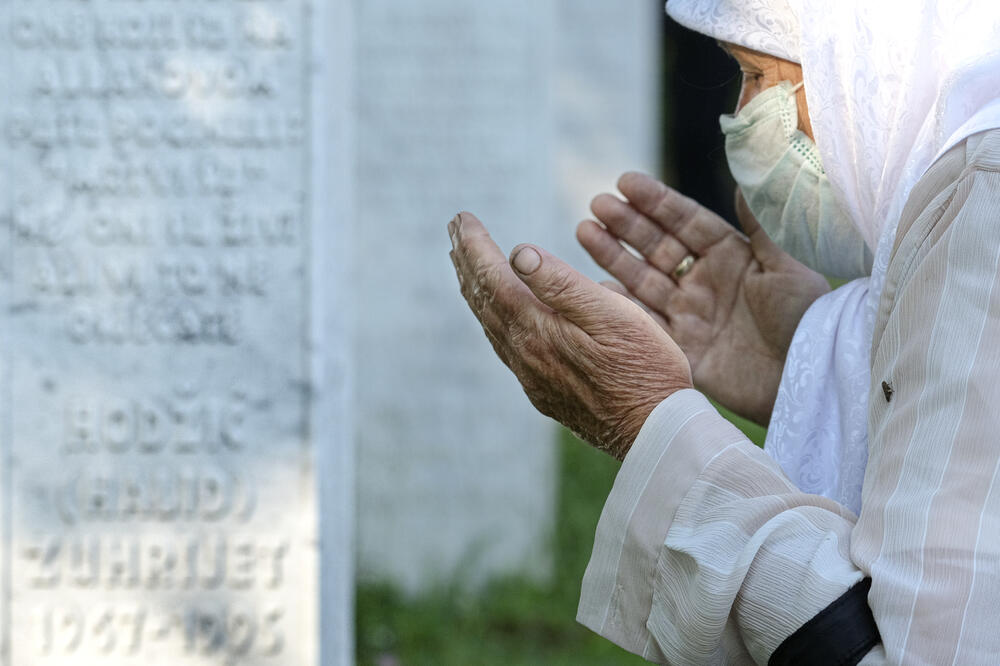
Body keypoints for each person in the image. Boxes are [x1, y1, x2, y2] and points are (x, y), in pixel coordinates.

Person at [448, 0, 1000, 663]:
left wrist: (649, 424)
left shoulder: (984, 205)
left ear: (870, 53)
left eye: (757, 74)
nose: (740, 116)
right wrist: (804, 358)